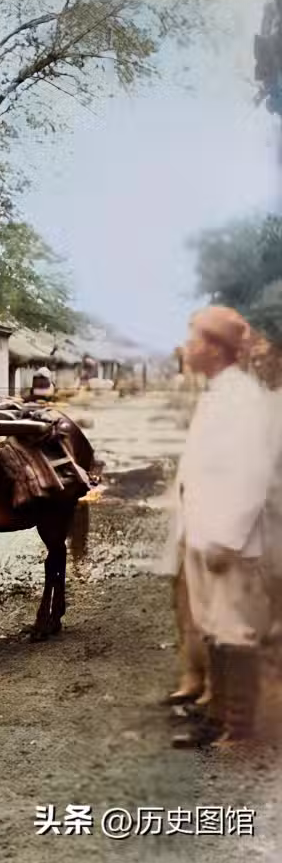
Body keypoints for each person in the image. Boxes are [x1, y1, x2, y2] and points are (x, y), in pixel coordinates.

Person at [170, 305, 279, 748]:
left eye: (194, 339)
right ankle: (215, 721)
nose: (187, 347)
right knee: (212, 626)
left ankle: (240, 731)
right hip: (203, 531)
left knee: (235, 631)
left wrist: (228, 538)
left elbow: (253, 475)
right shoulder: (218, 392)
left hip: (227, 539)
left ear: (215, 348)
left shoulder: (242, 398)